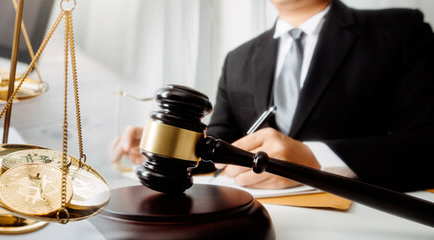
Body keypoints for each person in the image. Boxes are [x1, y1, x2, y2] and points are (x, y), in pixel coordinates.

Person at [110, 0, 434, 191]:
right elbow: (219, 146)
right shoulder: (237, 59)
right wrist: (170, 146)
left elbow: (426, 146)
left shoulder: (401, 31)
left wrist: (315, 160)